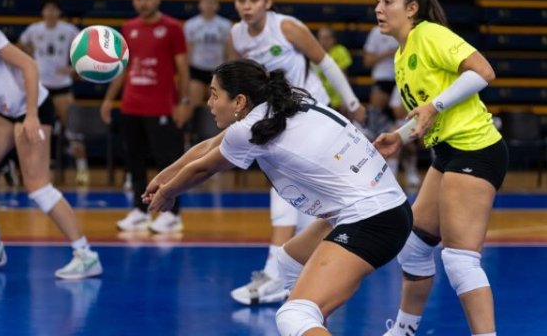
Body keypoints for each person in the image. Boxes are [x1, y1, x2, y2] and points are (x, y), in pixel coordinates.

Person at [144, 59, 412, 335]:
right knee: (289, 261)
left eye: (214, 94)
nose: (209, 103)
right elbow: (212, 145)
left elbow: (204, 167)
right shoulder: (280, 107)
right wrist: (165, 174)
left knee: (294, 315)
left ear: (239, 101)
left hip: (371, 218)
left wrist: (168, 193)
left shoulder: (250, 129)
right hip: (389, 208)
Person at [372, 0, 508, 336]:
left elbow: (483, 72)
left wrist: (435, 104)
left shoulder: (428, 34)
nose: (378, 9)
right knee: (414, 245)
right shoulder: (402, 56)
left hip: (475, 149)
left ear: (412, 8)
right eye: (377, 2)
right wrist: (400, 137)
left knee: (460, 259)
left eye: (388, 1)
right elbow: (427, 113)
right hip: (447, 153)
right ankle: (403, 329)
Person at [226, 0, 367, 305]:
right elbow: (238, 79)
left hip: (308, 115)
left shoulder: (287, 28)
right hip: (272, 121)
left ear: (268, 2)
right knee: (300, 198)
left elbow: (326, 63)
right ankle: (294, 275)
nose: (246, 6)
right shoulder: (235, 34)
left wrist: (353, 103)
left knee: (291, 191)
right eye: (241, 0)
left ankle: (279, 275)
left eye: (253, 0)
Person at [0, 0, 102, 279]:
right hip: (5, 111)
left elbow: (30, 66)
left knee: (38, 188)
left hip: (33, 107)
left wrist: (30, 115)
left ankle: (86, 254)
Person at [100, 0, 191, 234]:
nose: (143, 2)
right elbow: (122, 67)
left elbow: (183, 69)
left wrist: (183, 102)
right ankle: (139, 211)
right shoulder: (128, 27)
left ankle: (172, 214)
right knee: (134, 162)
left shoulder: (172, 27)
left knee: (168, 162)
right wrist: (109, 98)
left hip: (162, 107)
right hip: (131, 106)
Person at [18, 0, 90, 186]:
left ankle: (82, 169)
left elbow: (86, 47)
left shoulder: (68, 30)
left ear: (59, 12)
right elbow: (20, 45)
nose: (50, 12)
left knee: (73, 129)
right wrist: (30, 57)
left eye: (53, 9)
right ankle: (37, 171)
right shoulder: (34, 30)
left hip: (62, 86)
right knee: (37, 130)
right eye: (47, 9)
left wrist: (74, 68)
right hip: (40, 86)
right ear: (43, 12)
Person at [363, 25, 420, 187]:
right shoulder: (376, 32)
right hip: (383, 81)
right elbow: (367, 61)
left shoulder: (408, 32)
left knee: (404, 129)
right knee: (379, 132)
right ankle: (384, 174)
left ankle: (410, 170)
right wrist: (389, 53)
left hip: (405, 79)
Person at [183, 0, 232, 145]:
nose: (209, 5)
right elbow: (187, 51)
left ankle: (221, 146)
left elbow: (229, 51)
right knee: (191, 108)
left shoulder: (225, 25)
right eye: (206, 1)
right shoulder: (191, 25)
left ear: (217, 5)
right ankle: (187, 144)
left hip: (217, 72)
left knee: (220, 109)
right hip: (197, 71)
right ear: (200, 4)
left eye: (212, 1)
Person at [315, 26, 352, 116]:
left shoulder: (340, 51)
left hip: (337, 99)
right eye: (320, 38)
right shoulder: (313, 52)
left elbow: (344, 77)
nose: (323, 41)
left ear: (333, 39)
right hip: (319, 98)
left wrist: (345, 100)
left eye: (326, 38)